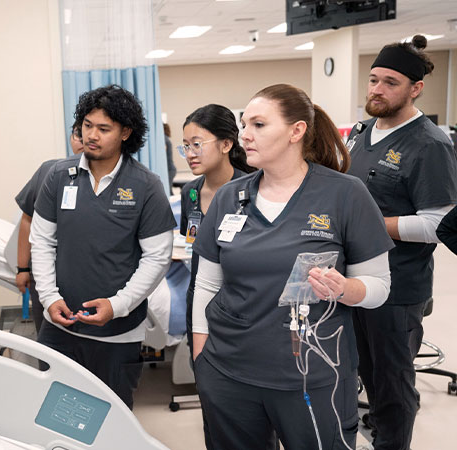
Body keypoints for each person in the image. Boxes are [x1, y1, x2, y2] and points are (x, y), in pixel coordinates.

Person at [191, 84, 393, 449]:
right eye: (243, 124)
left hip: (313, 374)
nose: (244, 135)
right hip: (228, 371)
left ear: (296, 131)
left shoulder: (345, 194)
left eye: (258, 125)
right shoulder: (229, 197)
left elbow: (379, 286)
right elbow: (206, 283)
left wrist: (345, 289)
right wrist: (201, 354)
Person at [30, 85, 175, 409]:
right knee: (56, 417)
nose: (91, 135)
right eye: (87, 125)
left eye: (104, 128)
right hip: (60, 328)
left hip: (118, 333)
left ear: (125, 132)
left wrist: (118, 304)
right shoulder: (59, 176)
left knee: (111, 419)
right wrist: (50, 297)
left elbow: (156, 259)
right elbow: (41, 241)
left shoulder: (146, 186)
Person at [346, 35, 457, 450]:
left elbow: (439, 224)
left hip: (397, 287)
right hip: (352, 280)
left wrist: (368, 226)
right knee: (362, 376)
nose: (376, 89)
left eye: (390, 82)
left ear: (415, 88)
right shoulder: (361, 133)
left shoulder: (429, 144)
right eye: (373, 79)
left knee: (391, 388)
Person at [177, 104, 255, 447]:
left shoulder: (253, 188)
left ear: (226, 144)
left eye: (198, 144)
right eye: (185, 146)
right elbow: (191, 243)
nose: (190, 154)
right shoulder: (189, 192)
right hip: (201, 298)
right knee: (210, 392)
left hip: (246, 302)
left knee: (249, 405)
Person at [14, 125, 84, 333]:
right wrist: (23, 269)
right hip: (47, 274)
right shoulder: (50, 171)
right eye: (78, 134)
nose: (82, 140)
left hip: (89, 276)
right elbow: (27, 220)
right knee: (49, 343)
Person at [164, 122, 177, 187]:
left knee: (168, 190)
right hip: (171, 169)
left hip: (170, 170)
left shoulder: (164, 139)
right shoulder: (167, 139)